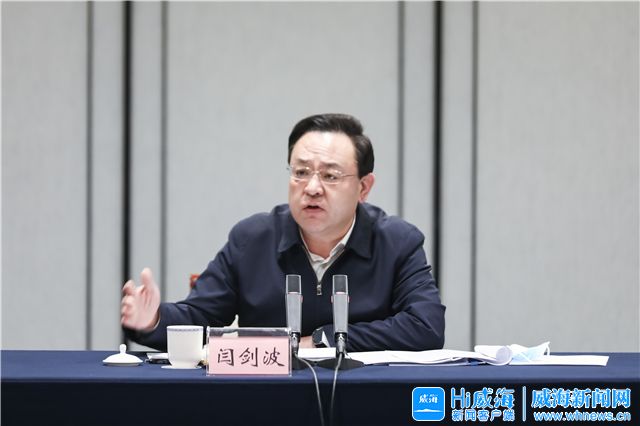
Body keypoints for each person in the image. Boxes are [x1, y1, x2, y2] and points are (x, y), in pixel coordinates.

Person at [121, 113, 445, 352]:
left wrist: (324, 339)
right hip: (268, 401)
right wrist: (153, 320)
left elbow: (425, 326)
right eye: (301, 172)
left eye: (331, 176)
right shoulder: (253, 239)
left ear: (363, 187)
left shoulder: (397, 242)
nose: (312, 188)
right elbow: (200, 317)